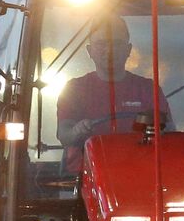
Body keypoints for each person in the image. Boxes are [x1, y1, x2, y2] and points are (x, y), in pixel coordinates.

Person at [56, 15, 169, 172]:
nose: (109, 50)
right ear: (90, 51)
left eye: (117, 44)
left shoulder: (148, 89)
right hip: (83, 179)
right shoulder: (74, 89)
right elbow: (64, 134)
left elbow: (169, 134)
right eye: (101, 44)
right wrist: (77, 131)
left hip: (143, 173)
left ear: (128, 50)